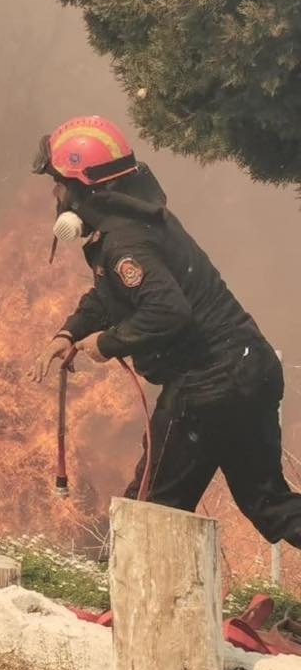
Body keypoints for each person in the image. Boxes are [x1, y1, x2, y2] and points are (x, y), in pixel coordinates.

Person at [28, 115, 301, 544]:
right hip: (248, 367)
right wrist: (69, 333)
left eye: (59, 182)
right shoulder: (131, 223)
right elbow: (110, 295)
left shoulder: (125, 242)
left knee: (151, 514)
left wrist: (107, 342)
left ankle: (143, 608)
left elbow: (168, 311)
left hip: (209, 385)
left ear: (83, 187)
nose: (54, 192)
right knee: (270, 505)